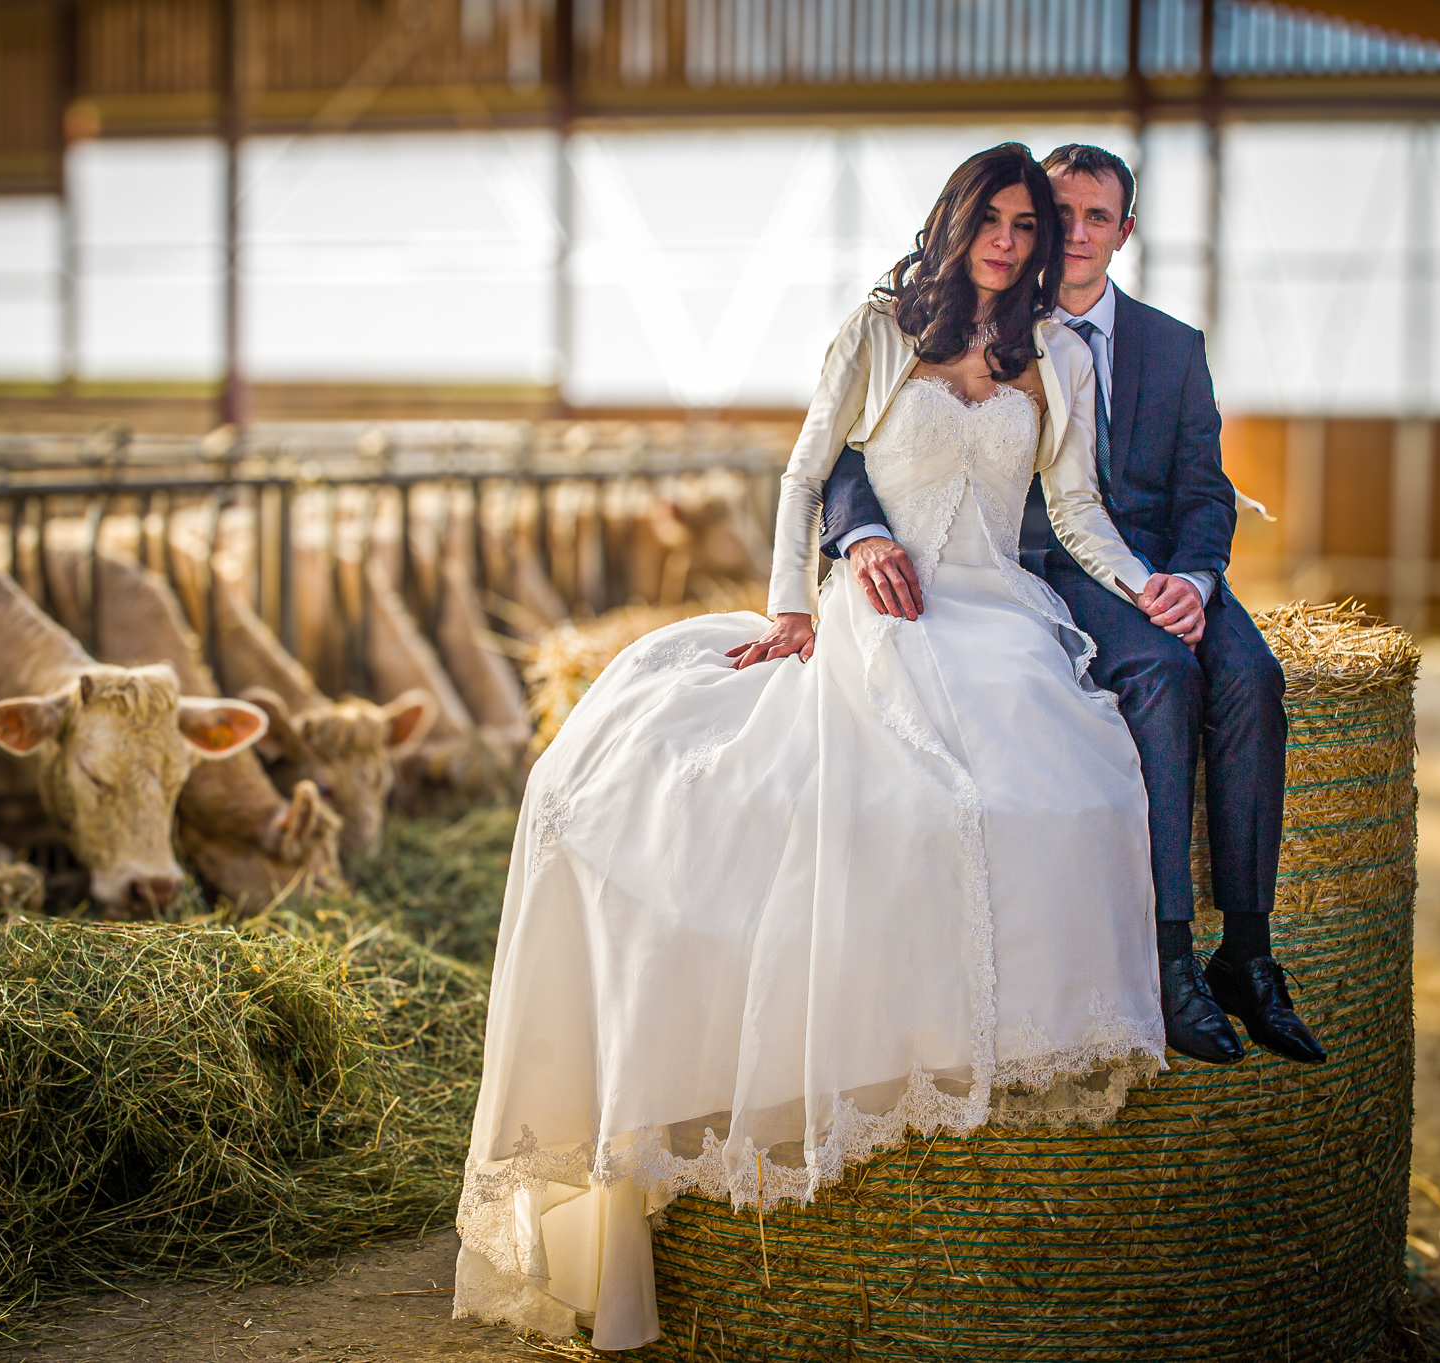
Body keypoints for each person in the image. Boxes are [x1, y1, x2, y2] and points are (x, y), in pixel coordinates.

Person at [454, 143, 1169, 1351]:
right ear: (952, 222)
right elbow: (804, 472)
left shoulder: (1052, 353)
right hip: (886, 612)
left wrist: (1148, 588)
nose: (1007, 243)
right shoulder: (878, 330)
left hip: (999, 615)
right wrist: (793, 606)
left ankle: (996, 1035)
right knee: (869, 796)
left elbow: (1075, 508)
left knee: (1075, 791)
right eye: (989, 220)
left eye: (1024, 226)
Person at [819, 142, 1323, 1068]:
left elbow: (1205, 488)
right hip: (1039, 565)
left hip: (1156, 566)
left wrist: (1194, 579)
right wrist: (859, 535)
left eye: (1099, 218)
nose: (1076, 234)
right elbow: (855, 450)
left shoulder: (1174, 346)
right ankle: (1168, 958)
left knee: (1252, 676)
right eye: (1061, 216)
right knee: (1161, 676)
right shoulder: (990, 316)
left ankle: (1249, 954)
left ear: (1126, 231)